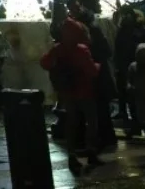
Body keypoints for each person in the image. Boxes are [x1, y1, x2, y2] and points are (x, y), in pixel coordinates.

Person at [40, 19, 103, 176]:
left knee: (71, 124)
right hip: (85, 92)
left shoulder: (57, 49)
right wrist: (97, 66)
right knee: (92, 122)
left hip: (67, 93)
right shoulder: (82, 50)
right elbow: (92, 71)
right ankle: (91, 153)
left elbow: (44, 63)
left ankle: (72, 155)